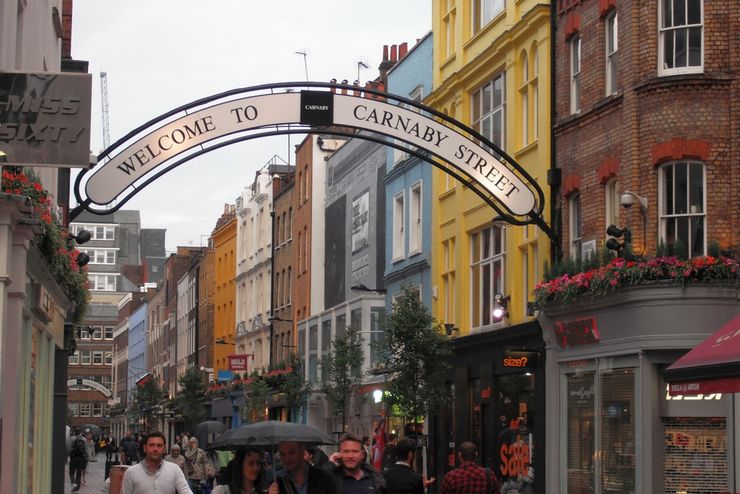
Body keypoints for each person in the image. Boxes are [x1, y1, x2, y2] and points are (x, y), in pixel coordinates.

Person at [122, 431, 191, 494]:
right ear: (145, 448)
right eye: (151, 445)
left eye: (159, 445)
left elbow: (185, 490)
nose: (155, 449)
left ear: (164, 449)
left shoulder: (174, 470)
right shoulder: (131, 472)